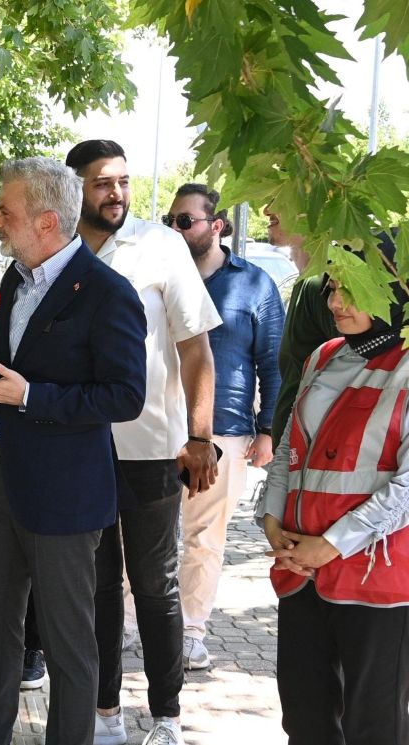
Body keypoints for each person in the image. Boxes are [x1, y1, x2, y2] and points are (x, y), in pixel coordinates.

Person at [0, 157, 145, 745]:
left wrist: (30, 395)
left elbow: (125, 396)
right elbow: (13, 361)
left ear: (47, 221)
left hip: (66, 494)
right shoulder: (15, 277)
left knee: (68, 644)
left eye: (7, 211)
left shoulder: (108, 293)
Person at [64, 140, 221, 745]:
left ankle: (166, 718)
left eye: (124, 181)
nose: (117, 193)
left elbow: (195, 346)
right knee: (98, 588)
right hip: (80, 448)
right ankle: (106, 714)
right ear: (75, 187)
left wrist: (200, 436)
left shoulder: (160, 245)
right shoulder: (58, 248)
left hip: (154, 449)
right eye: (102, 182)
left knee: (155, 587)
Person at [257, 234, 409, 745]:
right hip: (301, 570)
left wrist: (331, 544)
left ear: (391, 289)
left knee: (375, 726)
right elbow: (289, 448)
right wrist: (272, 519)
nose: (335, 302)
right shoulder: (322, 356)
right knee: (305, 720)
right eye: (332, 287)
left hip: (376, 579)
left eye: (351, 289)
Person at [166, 184, 284, 671]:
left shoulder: (255, 285)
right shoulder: (160, 276)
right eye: (170, 221)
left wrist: (268, 429)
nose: (175, 229)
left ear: (216, 226)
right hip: (157, 427)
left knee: (204, 538)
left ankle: (191, 631)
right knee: (141, 534)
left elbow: (273, 362)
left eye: (185, 221)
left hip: (224, 432)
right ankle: (130, 623)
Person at [266, 201, 339, 446]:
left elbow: (351, 367)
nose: (266, 210)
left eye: (281, 200)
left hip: (314, 450)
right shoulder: (307, 281)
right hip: (295, 451)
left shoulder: (324, 284)